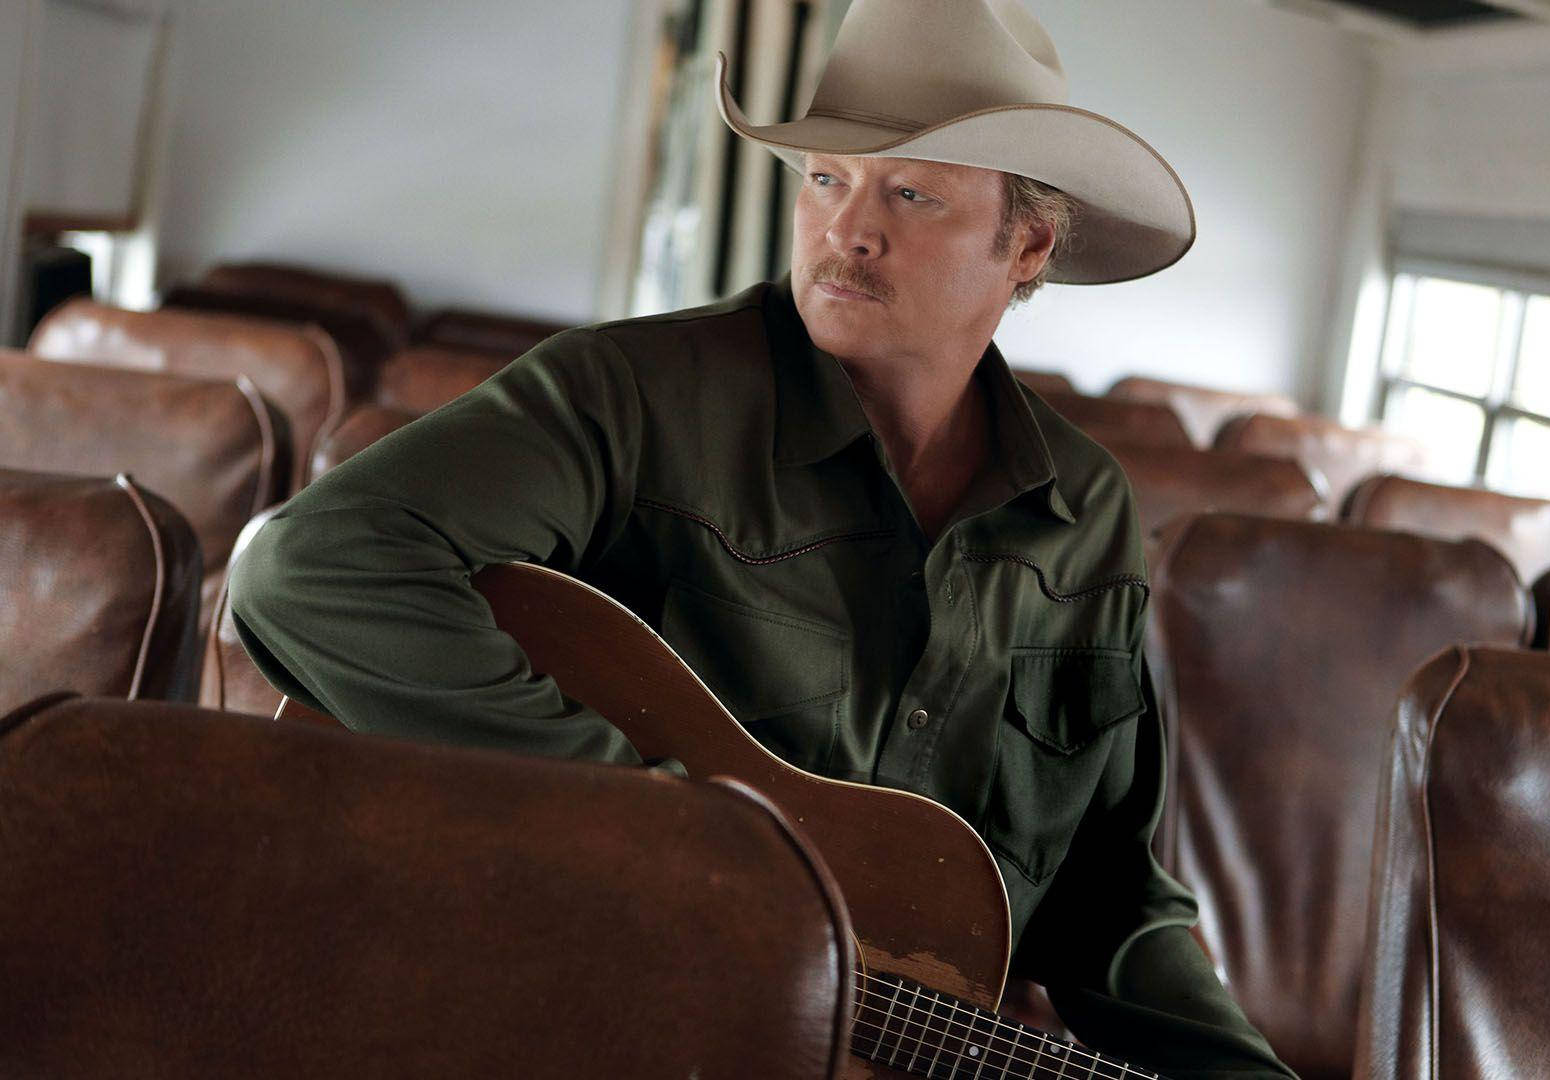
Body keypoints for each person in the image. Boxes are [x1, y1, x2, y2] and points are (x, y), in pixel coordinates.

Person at [230, 1, 1296, 1076]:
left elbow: (1111, 900)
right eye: (827, 178)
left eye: (911, 192)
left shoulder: (1090, 512)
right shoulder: (633, 394)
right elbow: (311, 566)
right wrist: (648, 831)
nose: (847, 228)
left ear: (1026, 243)